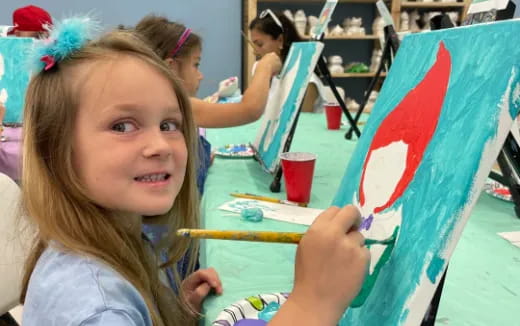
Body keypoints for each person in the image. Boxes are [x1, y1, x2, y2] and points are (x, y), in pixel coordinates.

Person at [20, 17, 369, 325]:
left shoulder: (116, 235)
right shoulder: (96, 310)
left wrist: (168, 309)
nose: (160, 145)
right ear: (55, 149)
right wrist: (312, 306)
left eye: (170, 123)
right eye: (123, 126)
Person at [134, 15, 282, 128]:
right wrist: (265, 67)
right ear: (171, 68)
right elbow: (250, 110)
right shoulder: (177, 106)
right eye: (195, 65)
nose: (201, 76)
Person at [0, 5, 53, 182]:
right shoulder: (5, 51)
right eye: (36, 36)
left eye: (44, 36)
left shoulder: (51, 57)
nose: (39, 42)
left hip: (35, 138)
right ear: (17, 32)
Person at [249, 9, 334, 113]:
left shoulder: (305, 82)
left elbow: (301, 125)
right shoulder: (260, 69)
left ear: (280, 40)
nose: (255, 52)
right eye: (253, 45)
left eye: (260, 44)